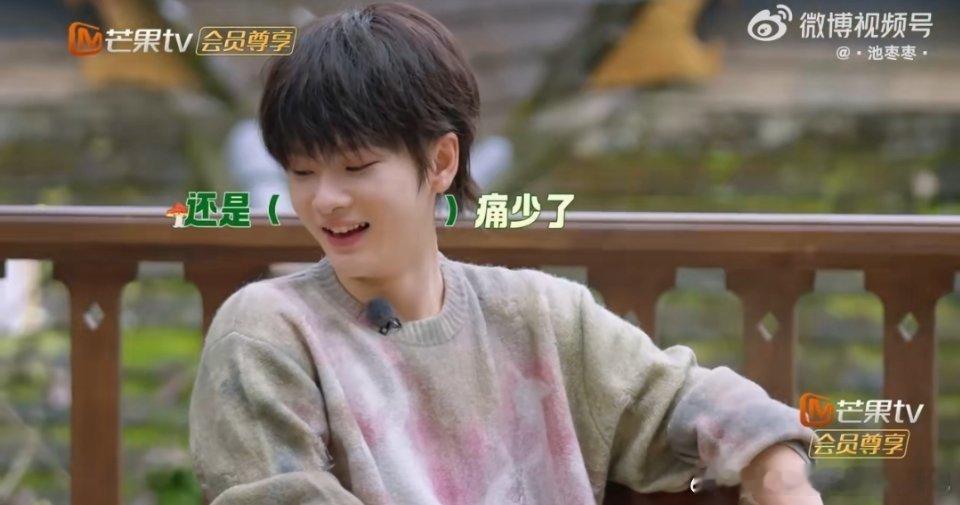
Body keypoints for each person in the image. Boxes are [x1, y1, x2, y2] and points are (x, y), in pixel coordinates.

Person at [188, 3, 821, 504]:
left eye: (355, 167)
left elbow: (685, 400)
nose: (325, 200)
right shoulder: (267, 332)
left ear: (441, 161)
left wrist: (780, 474)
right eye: (302, 172)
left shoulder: (541, 315)